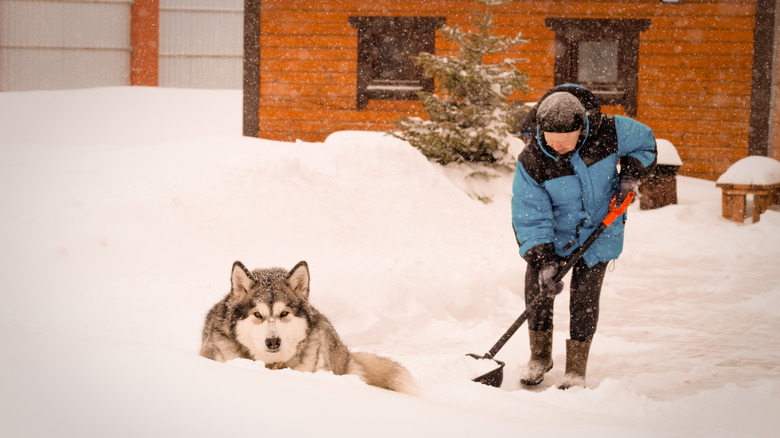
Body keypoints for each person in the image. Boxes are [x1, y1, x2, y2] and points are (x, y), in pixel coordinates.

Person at [511, 84, 657, 389]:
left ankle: (576, 369)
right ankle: (540, 357)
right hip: (555, 236)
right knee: (537, 291)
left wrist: (629, 175)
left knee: (585, 299)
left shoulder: (610, 131)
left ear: (582, 128)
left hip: (602, 229)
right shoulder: (533, 160)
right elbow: (530, 214)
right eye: (553, 142)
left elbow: (644, 143)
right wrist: (544, 259)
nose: (559, 147)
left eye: (566, 142)